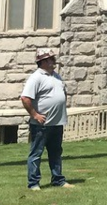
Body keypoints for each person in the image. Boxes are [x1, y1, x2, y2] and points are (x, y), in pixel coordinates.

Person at [20, 48, 73, 190]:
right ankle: (33, 183)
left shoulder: (56, 76)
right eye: (50, 59)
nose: (53, 61)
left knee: (56, 152)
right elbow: (25, 98)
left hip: (57, 122)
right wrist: (35, 115)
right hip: (41, 124)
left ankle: (58, 179)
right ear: (42, 61)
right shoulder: (36, 77)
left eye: (53, 58)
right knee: (36, 153)